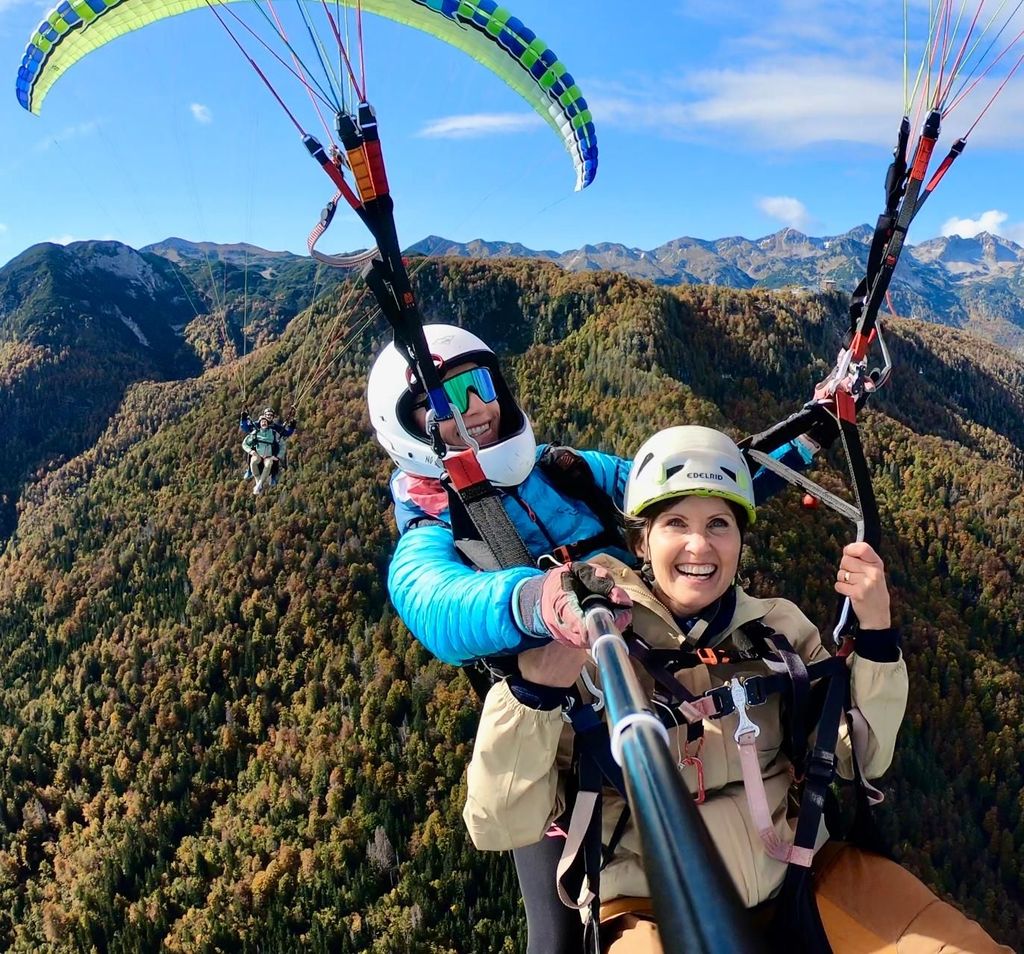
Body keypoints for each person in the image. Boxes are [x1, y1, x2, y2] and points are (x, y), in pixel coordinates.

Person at [461, 426, 1010, 953]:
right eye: (675, 522)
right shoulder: (589, 643)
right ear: (642, 541)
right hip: (651, 904)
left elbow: (856, 756)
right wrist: (534, 693)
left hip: (804, 873)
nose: (699, 545)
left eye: (719, 524)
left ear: (740, 541)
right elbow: (501, 822)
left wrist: (878, 637)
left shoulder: (778, 631)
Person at [367, 326, 821, 954]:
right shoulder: (430, 528)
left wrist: (809, 437)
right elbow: (436, 601)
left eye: (479, 384)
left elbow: (677, 489)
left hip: (656, 672)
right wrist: (537, 602)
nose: (472, 408)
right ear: (407, 430)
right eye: (440, 403)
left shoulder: (564, 471)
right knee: (555, 938)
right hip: (553, 734)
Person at [240, 407, 296, 493]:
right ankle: (250, 470)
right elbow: (246, 428)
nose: (269, 417)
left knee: (275, 450)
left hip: (271, 450)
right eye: (267, 415)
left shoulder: (276, 428)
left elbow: (286, 433)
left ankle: (273, 475)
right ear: (264, 416)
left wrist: (292, 426)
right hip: (258, 450)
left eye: (271, 415)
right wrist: (243, 418)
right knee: (252, 449)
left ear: (273, 417)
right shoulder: (257, 425)